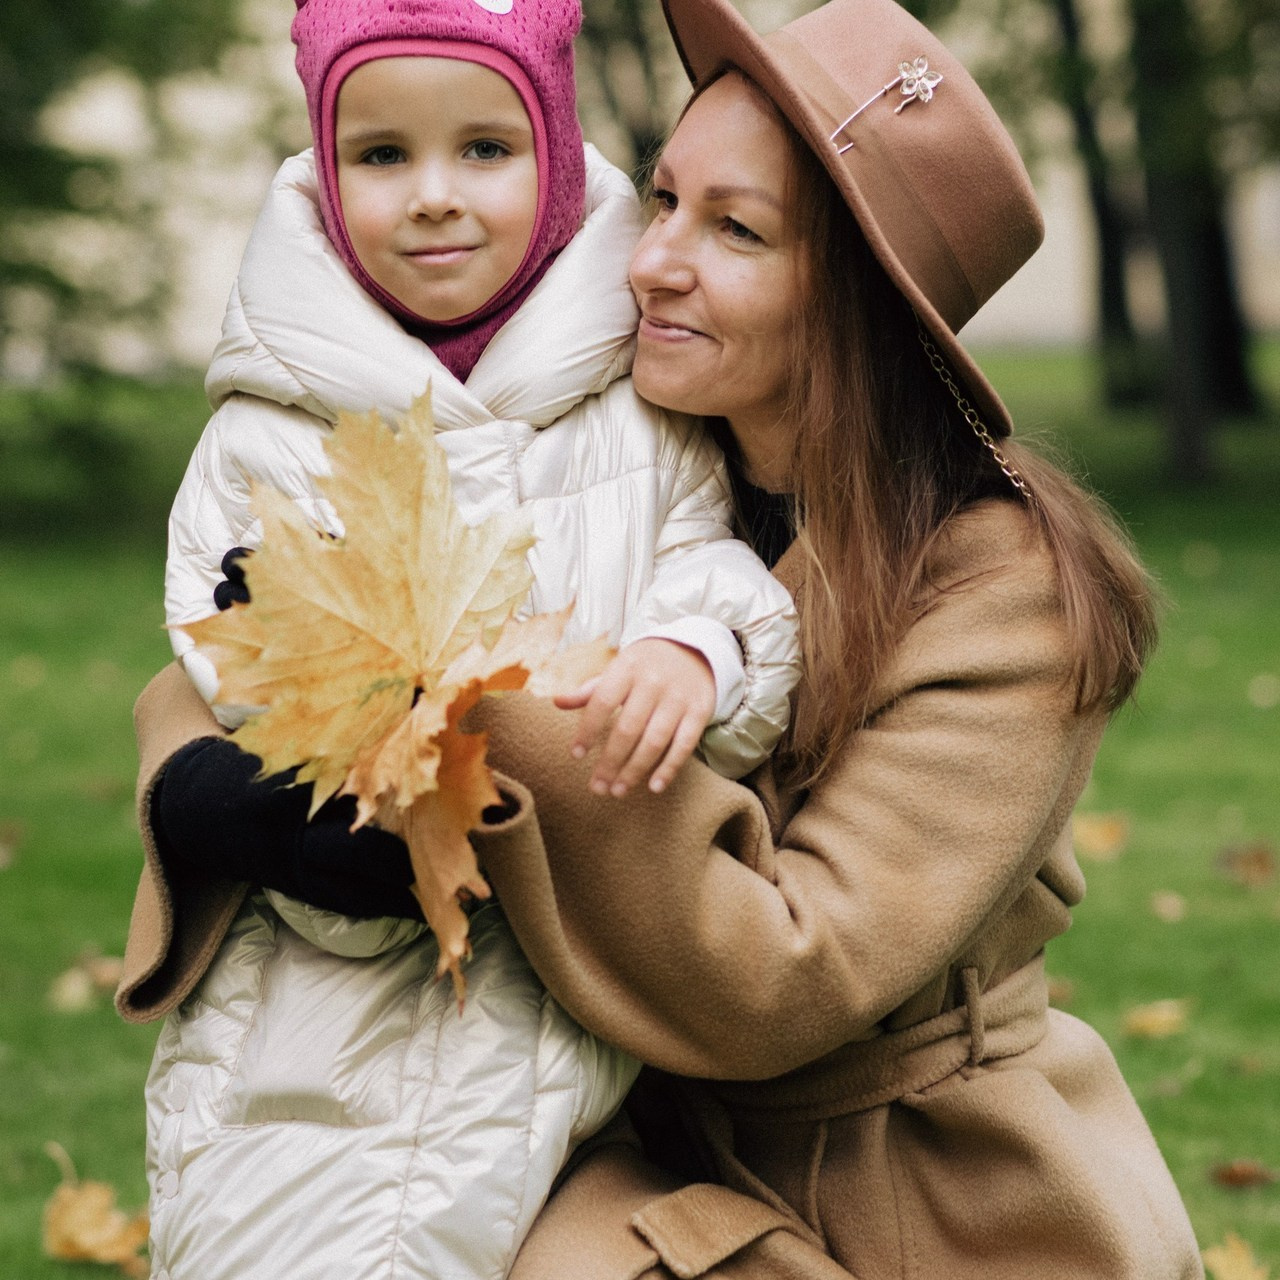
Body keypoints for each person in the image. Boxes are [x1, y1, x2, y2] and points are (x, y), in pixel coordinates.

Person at [119, 0, 1207, 1277]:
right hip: (630, 1146)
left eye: (734, 231)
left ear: (855, 304)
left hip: (909, 1192)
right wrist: (197, 781)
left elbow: (785, 974)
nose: (649, 260)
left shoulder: (997, 592)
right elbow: (245, 634)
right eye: (666, 199)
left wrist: (481, 696)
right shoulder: (638, 455)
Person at [118, 0, 800, 1276]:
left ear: (551, 157)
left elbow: (712, 565)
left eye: (484, 148)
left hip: (558, 986)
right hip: (324, 990)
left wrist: (697, 649)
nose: (433, 196)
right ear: (325, 172)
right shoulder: (268, 427)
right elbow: (235, 656)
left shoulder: (635, 409)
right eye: (380, 156)